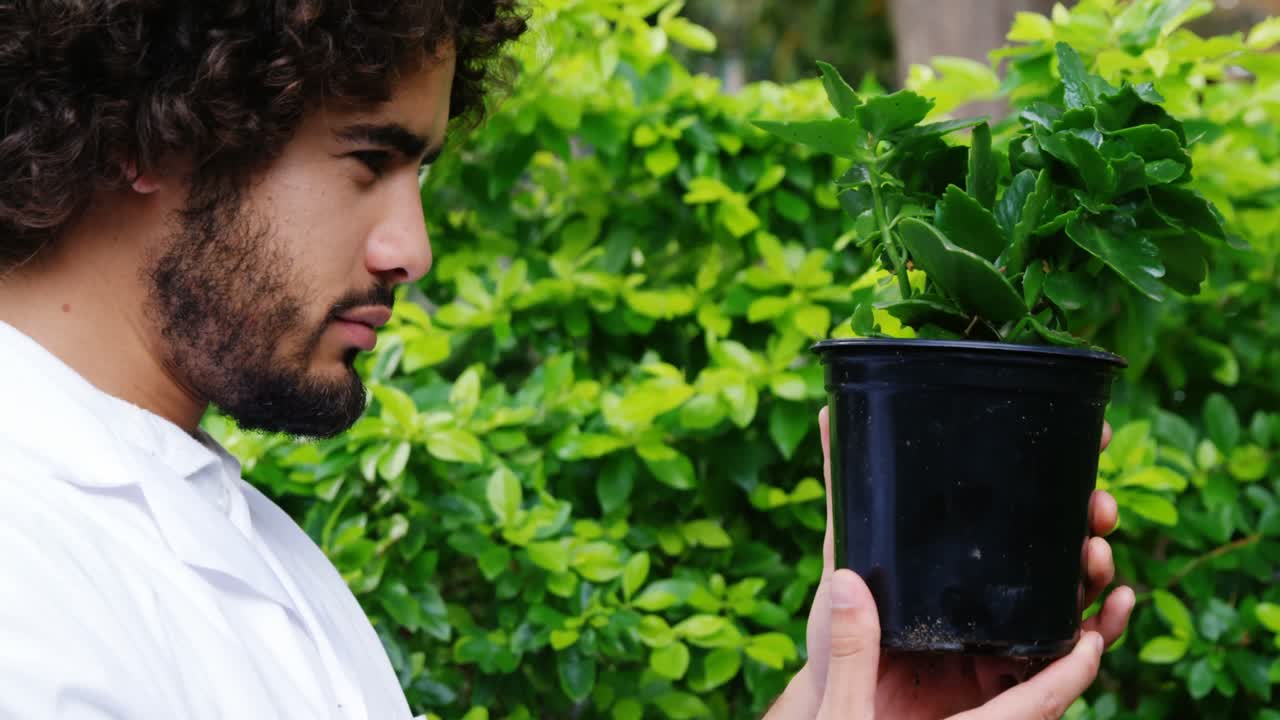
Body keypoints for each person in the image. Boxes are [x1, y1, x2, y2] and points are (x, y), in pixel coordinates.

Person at [0, 2, 1134, 718]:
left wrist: (848, 704)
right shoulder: (28, 582)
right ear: (158, 130)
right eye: (367, 160)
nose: (412, 248)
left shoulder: (233, 537)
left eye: (424, 172)